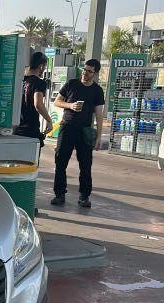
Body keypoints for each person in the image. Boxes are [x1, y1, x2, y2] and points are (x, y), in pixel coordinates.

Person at [51, 59, 105, 208]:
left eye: (89, 71)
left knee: (86, 164)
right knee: (60, 161)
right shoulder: (71, 84)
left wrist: (99, 136)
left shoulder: (97, 91)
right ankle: (59, 194)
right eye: (84, 69)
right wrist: (70, 105)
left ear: (95, 73)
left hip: (85, 130)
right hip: (67, 127)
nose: (85, 73)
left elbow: (99, 114)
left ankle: (84, 196)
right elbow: (57, 101)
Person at [13, 52, 52, 149]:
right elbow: (38, 104)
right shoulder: (39, 83)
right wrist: (49, 120)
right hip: (30, 129)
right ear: (41, 66)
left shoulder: (20, 80)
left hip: (15, 128)